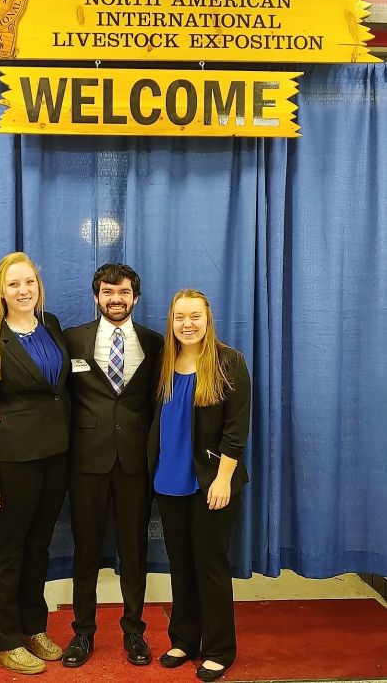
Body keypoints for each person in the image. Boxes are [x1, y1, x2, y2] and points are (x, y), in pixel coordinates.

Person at [0, 252, 71, 675]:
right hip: (13, 462)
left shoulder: (51, 326)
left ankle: (33, 626)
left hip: (56, 457)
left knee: (38, 547)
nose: (23, 290)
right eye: (14, 284)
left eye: (28, 282)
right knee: (8, 552)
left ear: (38, 285)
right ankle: (3, 640)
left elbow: (59, 391)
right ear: (1, 291)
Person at [62, 263, 163, 668]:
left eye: (123, 292)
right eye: (107, 291)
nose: (115, 299)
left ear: (135, 298)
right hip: (86, 462)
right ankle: (82, 634)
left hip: (136, 463)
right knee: (85, 551)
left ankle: (134, 632)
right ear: (96, 296)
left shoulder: (157, 343)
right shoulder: (71, 340)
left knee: (133, 551)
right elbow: (53, 392)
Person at [148, 289, 251, 682]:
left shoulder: (229, 362)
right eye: (179, 317)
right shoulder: (165, 361)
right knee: (181, 565)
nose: (187, 324)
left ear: (208, 319)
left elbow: (236, 429)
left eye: (194, 316)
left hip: (212, 484)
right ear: (171, 322)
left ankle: (220, 648)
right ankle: (184, 638)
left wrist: (223, 479)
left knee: (210, 566)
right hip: (169, 482)